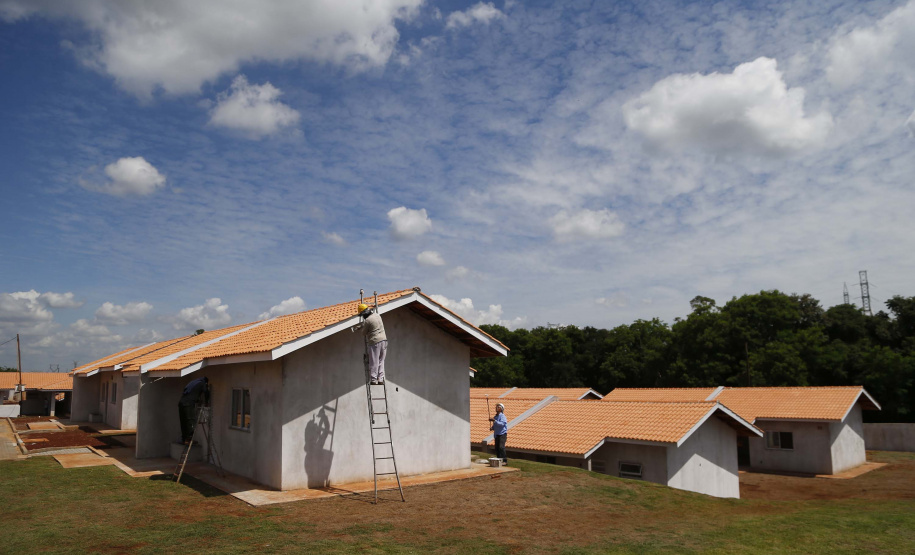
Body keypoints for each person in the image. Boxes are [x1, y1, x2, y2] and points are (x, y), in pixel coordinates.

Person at [353, 303, 388, 385]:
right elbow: (372, 324)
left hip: (375, 342)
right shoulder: (377, 315)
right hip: (384, 340)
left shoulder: (368, 320)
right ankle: (380, 379)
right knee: (381, 360)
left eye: (362, 315)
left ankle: (373, 379)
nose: (362, 317)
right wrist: (362, 325)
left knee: (374, 361)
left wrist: (361, 328)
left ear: (364, 313)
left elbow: (364, 333)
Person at [178, 376, 209, 444]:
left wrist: (196, 399)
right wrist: (207, 402)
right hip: (188, 404)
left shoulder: (193, 383)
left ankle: (184, 439)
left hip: (181, 403)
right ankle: (189, 439)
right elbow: (206, 392)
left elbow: (190, 393)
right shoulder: (202, 383)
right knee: (191, 420)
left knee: (184, 421)